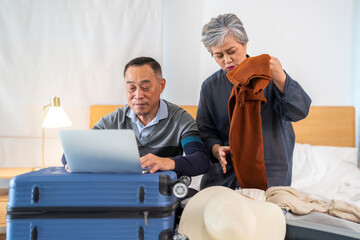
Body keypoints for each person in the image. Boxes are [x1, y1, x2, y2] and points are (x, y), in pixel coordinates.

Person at [197, 13, 311, 189]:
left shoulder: (270, 75)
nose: (227, 60)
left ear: (244, 44)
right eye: (218, 55)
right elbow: (205, 131)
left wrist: (281, 78)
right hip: (225, 178)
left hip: (270, 176)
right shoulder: (210, 87)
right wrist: (216, 149)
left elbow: (300, 111)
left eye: (231, 51)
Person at [62, 56, 210, 177]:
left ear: (161, 85)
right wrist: (75, 160)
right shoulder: (112, 122)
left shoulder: (180, 120)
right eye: (131, 88)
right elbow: (70, 155)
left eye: (145, 87)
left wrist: (167, 162)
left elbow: (201, 160)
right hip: (120, 195)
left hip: (161, 196)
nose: (138, 95)